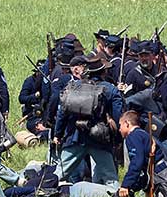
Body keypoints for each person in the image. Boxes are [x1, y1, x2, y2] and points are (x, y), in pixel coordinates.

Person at [52, 54, 123, 188]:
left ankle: (41, 193)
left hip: (75, 137)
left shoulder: (73, 87)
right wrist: (118, 139)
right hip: (100, 139)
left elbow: (62, 112)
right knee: (111, 179)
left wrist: (58, 134)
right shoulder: (111, 89)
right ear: (104, 71)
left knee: (59, 174)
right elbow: (118, 115)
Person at [116, 110, 162, 197]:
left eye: (120, 125)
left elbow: (137, 162)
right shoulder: (143, 134)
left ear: (127, 123)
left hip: (161, 178)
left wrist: (126, 185)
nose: (119, 129)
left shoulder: (133, 136)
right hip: (161, 175)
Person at [18, 59, 50, 140]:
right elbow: (22, 98)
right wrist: (34, 97)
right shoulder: (29, 81)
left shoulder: (47, 82)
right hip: (33, 115)